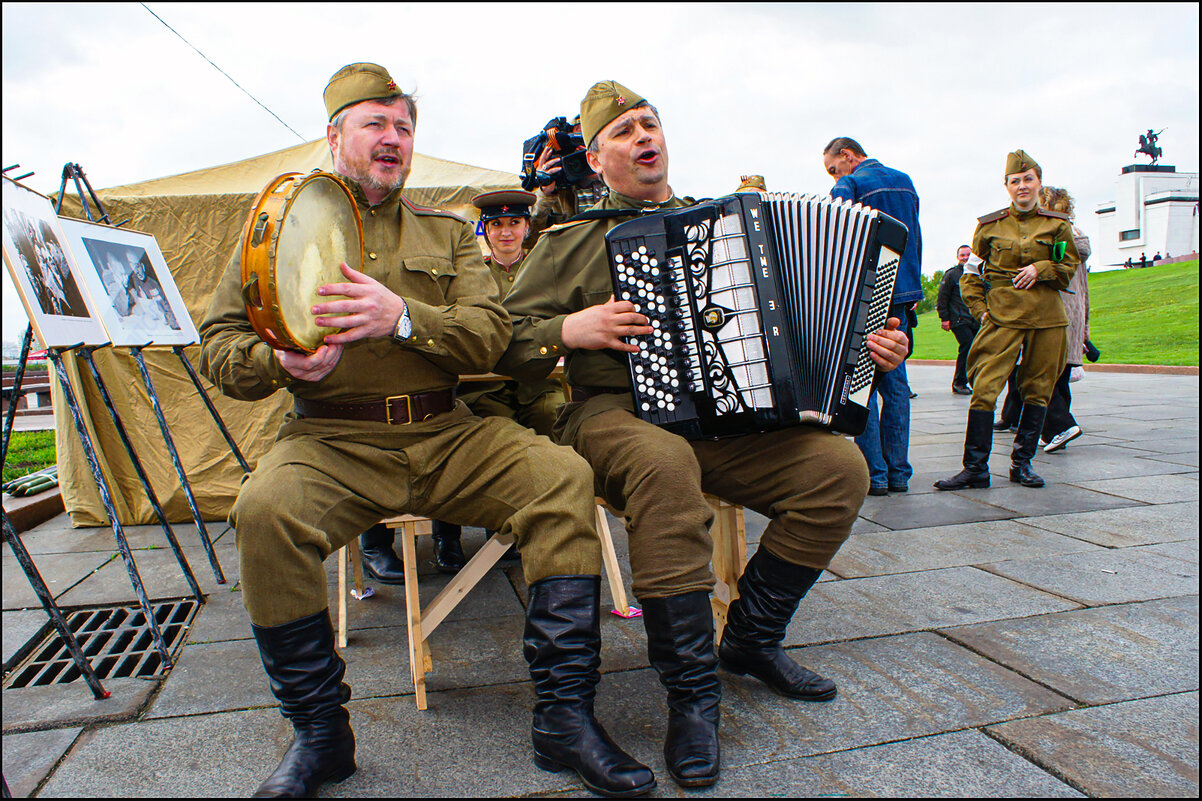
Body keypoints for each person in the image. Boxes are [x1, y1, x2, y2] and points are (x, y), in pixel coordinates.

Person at [199, 63, 655, 799]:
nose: (392, 139)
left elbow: (487, 338)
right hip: (330, 441)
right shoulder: (274, 231)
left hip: (448, 432)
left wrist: (403, 317)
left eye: (403, 128)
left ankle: (565, 722)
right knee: (263, 511)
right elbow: (218, 347)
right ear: (335, 135)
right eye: (374, 124)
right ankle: (322, 738)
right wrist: (276, 359)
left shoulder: (447, 235)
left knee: (560, 478)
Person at [497, 80, 910, 789]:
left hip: (726, 419)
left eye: (648, 123)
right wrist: (572, 327)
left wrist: (869, 348)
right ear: (597, 161)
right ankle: (693, 698)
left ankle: (750, 638)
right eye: (623, 130)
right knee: (662, 465)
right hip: (610, 411)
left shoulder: (726, 221)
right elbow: (500, 338)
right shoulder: (565, 244)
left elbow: (803, 330)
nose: (642, 136)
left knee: (839, 470)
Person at [427, 189, 567, 573]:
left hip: (538, 379)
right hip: (483, 383)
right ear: (485, 230)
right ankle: (457, 532)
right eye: (497, 224)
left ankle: (546, 522)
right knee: (487, 431)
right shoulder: (471, 274)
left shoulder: (544, 268)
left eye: (514, 223)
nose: (506, 233)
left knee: (556, 420)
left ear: (526, 226)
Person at [934, 150, 1079, 492]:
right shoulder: (989, 226)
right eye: (1016, 181)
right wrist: (981, 311)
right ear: (1007, 186)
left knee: (1039, 389)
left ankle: (1022, 464)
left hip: (1046, 318)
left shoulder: (1056, 225)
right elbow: (970, 274)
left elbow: (1067, 270)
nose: (1022, 186)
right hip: (1001, 317)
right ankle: (975, 468)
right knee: (984, 389)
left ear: (1039, 184)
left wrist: (1040, 268)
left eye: (1028, 179)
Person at [822, 137, 923, 495]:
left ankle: (875, 476)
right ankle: (899, 475)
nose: (834, 176)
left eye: (834, 168)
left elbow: (836, 236)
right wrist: (912, 288)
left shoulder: (851, 183)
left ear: (848, 156)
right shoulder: (905, 180)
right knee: (896, 386)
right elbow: (915, 240)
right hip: (903, 291)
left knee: (863, 386)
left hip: (870, 291)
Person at [1040, 185, 1091, 453]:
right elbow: (1084, 289)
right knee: (1059, 377)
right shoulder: (1077, 234)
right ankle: (1053, 433)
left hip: (1053, 312)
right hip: (1073, 314)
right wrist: (1085, 329)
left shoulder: (1055, 237)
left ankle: (1061, 425)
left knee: (1039, 375)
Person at [937, 245, 980, 395]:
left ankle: (975, 382)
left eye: (968, 254)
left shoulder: (978, 274)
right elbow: (942, 297)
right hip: (958, 319)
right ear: (958, 257)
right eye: (963, 255)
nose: (966, 257)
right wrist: (944, 318)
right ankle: (959, 382)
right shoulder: (952, 275)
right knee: (967, 346)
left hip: (975, 319)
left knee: (978, 349)